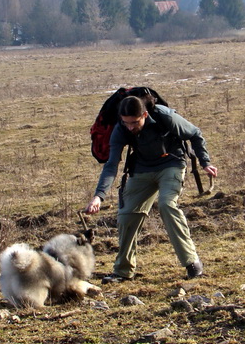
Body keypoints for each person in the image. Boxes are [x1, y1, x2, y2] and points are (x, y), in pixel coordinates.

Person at [84, 95, 218, 282]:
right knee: (126, 214)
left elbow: (195, 133)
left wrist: (205, 162)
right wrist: (99, 196)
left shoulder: (165, 117)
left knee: (166, 205)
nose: (130, 127)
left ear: (145, 114)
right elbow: (111, 164)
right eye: (126, 123)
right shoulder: (120, 129)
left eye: (134, 122)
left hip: (171, 164)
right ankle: (123, 271)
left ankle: (192, 263)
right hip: (141, 171)